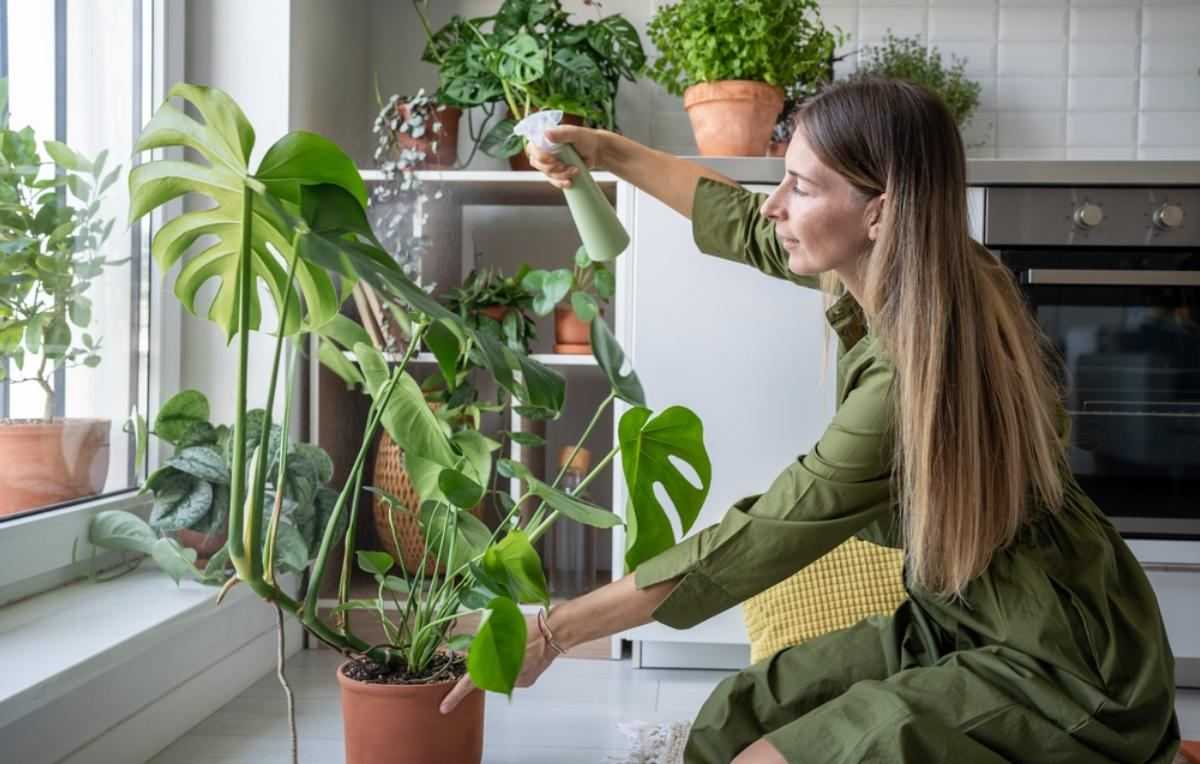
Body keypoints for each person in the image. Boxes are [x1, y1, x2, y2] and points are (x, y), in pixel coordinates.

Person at [439, 78, 1181, 763]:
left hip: (1062, 667)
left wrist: (553, 631)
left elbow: (758, 539)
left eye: (800, 185)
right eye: (783, 177)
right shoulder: (908, 264)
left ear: (879, 211)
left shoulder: (911, 383)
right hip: (953, 618)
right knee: (738, 712)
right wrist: (603, 150)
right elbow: (737, 217)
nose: (775, 203)